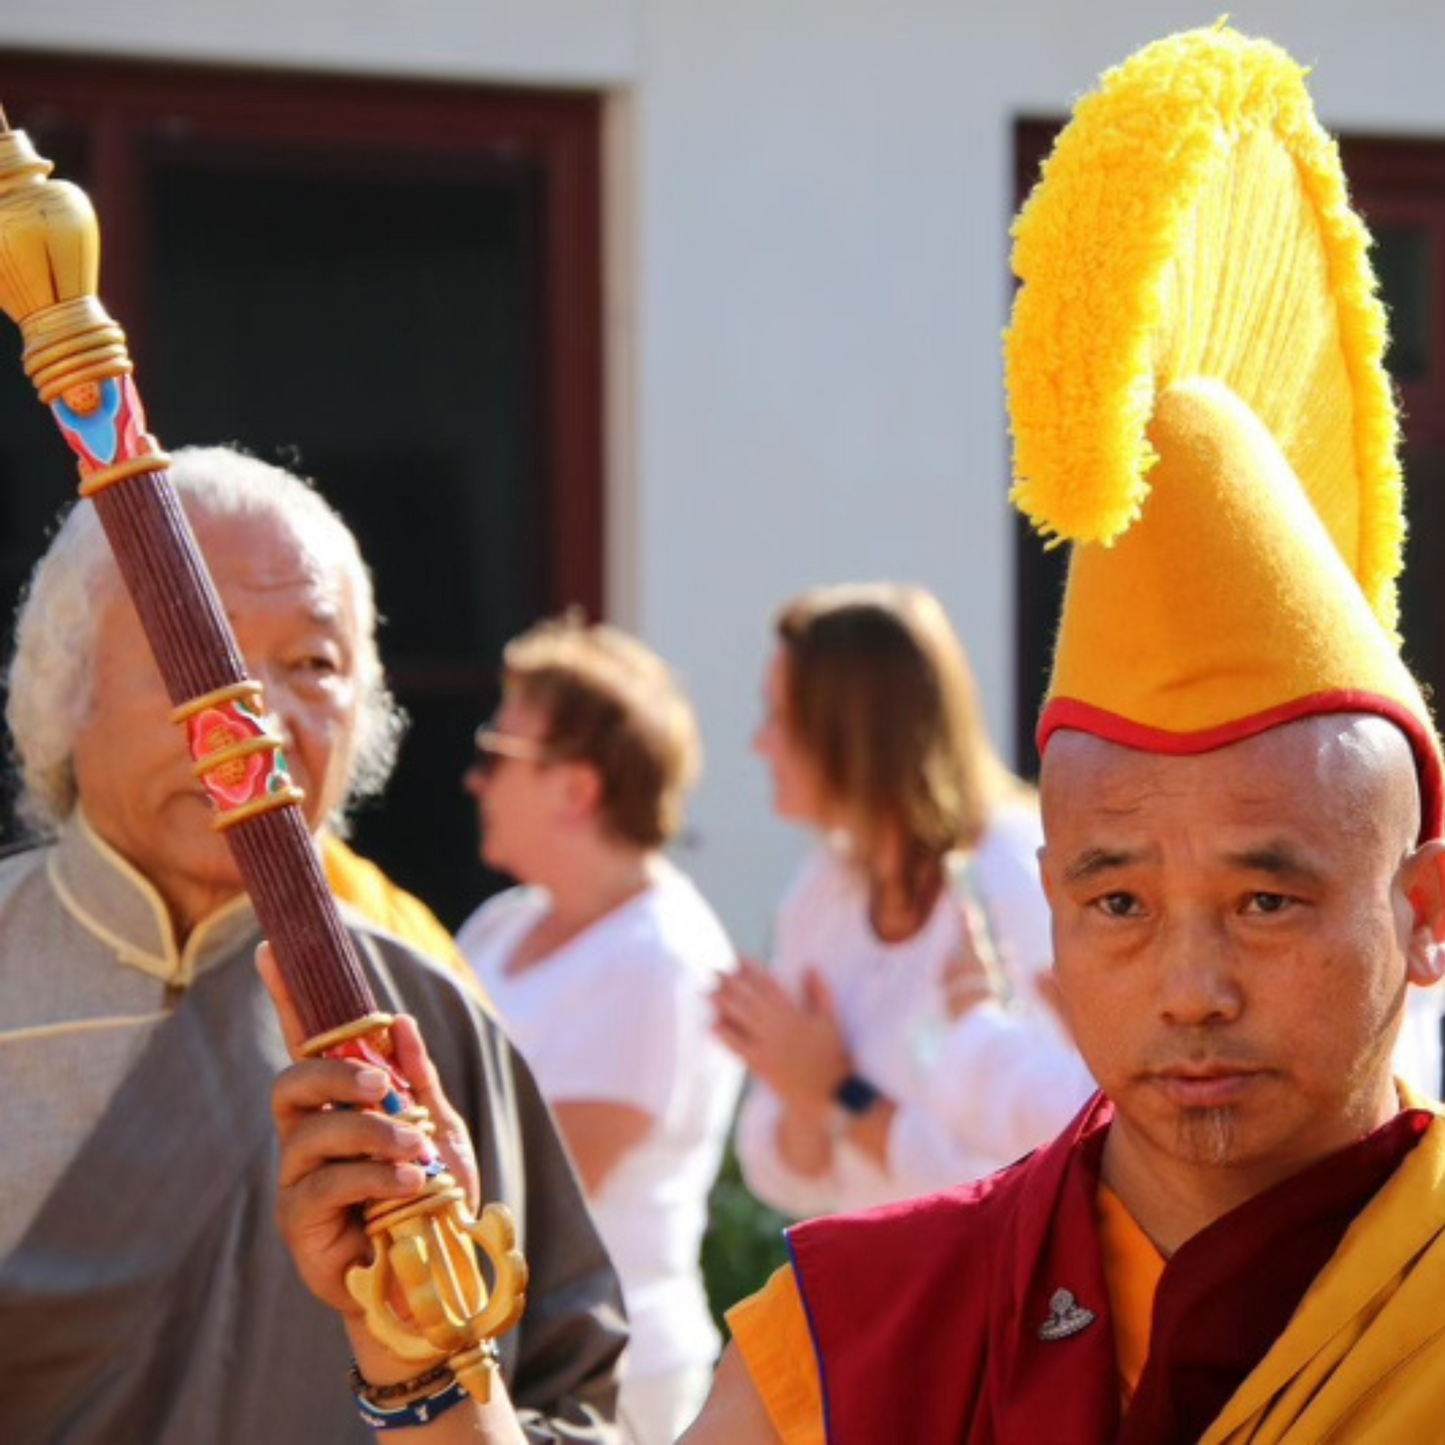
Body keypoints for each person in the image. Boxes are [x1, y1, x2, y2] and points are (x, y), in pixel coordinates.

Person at [677, 24, 1445, 1442]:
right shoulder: (856, 1329)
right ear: (1049, 906)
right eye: (1118, 903)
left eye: (1266, 899)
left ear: (1421, 905)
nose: (1190, 986)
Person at [0, 445, 625, 1444]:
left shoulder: (420, 1014)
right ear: (66, 685)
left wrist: (430, 1344)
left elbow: (566, 1401)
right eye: (193, 653)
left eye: (312, 665)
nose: (252, 713)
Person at [714, 582, 1094, 1218]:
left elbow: (1043, 1160)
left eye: (780, 718)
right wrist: (813, 1101)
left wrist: (838, 1095)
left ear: (851, 731)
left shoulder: (1021, 877)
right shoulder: (824, 890)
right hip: (874, 1297)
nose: (760, 743)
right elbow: (775, 1168)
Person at [454, 617, 743, 1445]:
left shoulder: (659, 957)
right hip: (508, 1349)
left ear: (575, 788)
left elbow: (538, 1193)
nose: (476, 781)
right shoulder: (505, 924)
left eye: (497, 755)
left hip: (614, 1377)